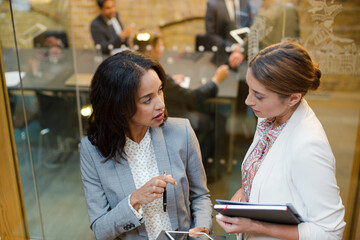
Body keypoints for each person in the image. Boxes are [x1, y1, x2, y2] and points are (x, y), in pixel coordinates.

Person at [216, 41, 346, 239]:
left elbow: (330, 232)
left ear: (293, 98)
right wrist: (244, 194)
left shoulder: (309, 146)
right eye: (249, 89)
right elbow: (268, 171)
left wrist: (255, 225)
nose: (248, 101)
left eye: (258, 96)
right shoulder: (269, 116)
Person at [80, 51, 212, 240]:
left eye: (160, 90)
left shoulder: (181, 132)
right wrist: (135, 199)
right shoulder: (91, 150)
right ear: (119, 106)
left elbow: (200, 197)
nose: (160, 105)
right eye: (147, 100)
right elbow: (100, 230)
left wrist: (201, 229)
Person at [132, 32, 229, 167]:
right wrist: (216, 80)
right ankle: (203, 165)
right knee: (217, 121)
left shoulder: (139, 70)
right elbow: (193, 98)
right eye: (160, 47)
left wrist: (169, 81)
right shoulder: (152, 75)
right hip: (172, 116)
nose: (162, 50)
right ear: (150, 50)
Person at [205, 0, 253, 65]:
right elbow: (210, 35)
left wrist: (242, 49)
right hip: (222, 57)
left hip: (243, 58)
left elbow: (250, 28)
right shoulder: (213, 5)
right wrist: (233, 47)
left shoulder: (244, 2)